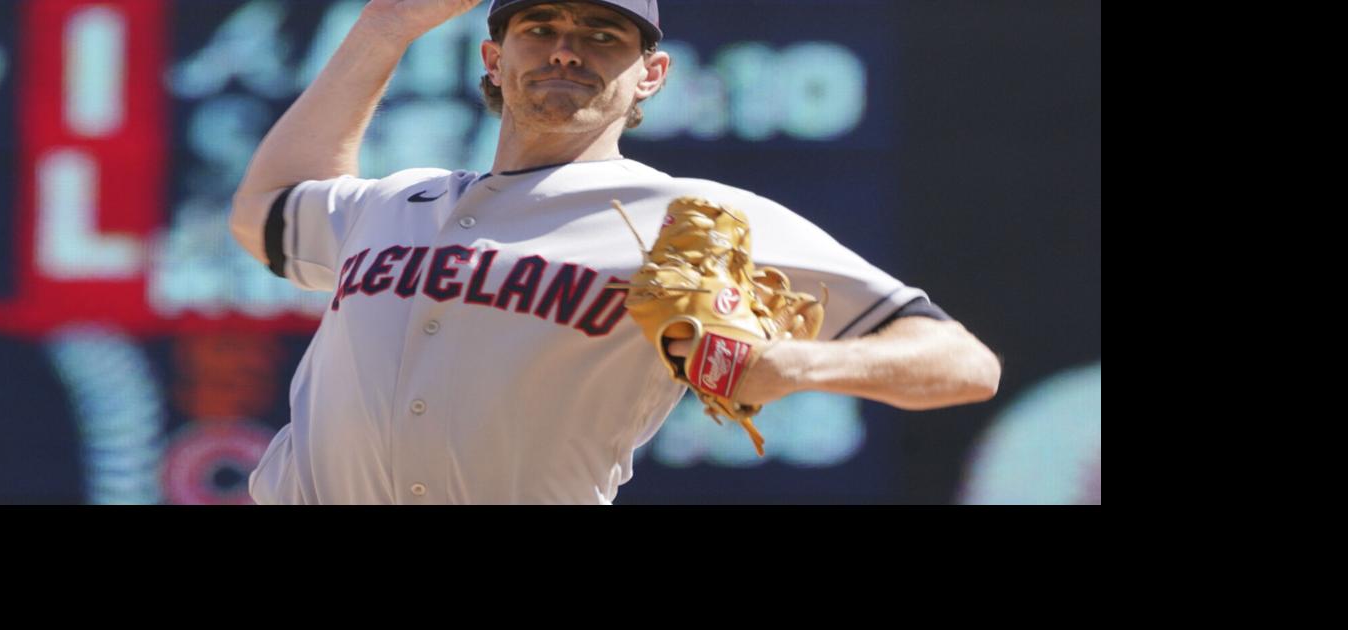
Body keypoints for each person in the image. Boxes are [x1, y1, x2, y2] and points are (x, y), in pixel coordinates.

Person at [230, 0, 1001, 504]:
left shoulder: (685, 216)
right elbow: (265, 211)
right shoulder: (394, 203)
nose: (566, 51)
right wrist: (384, 29)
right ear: (494, 60)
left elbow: (963, 363)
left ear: (651, 77)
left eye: (603, 37)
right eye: (540, 28)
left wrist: (794, 367)